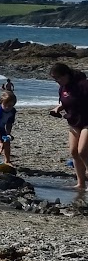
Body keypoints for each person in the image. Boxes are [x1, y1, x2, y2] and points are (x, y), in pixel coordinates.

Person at [47, 62, 88, 194]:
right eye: (55, 79)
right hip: (74, 121)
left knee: (82, 151)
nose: (57, 81)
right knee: (74, 152)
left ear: (66, 74)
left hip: (87, 121)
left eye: (58, 78)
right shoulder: (62, 88)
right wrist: (58, 108)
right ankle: (81, 183)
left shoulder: (83, 85)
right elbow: (67, 102)